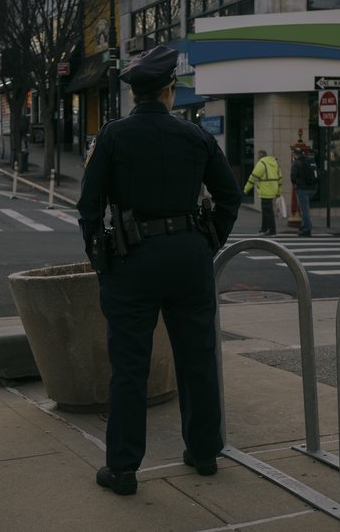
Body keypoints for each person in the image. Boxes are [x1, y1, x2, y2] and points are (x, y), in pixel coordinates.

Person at [77, 45, 241, 496]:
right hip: (188, 256)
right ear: (169, 91)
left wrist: (101, 259)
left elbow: (89, 207)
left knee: (129, 366)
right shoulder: (196, 138)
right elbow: (230, 197)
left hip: (131, 259)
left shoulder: (113, 137)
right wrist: (209, 240)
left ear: (136, 96)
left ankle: (124, 468)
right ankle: (204, 452)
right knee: (197, 358)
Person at [243, 149, 282, 235]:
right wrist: (279, 191)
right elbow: (280, 178)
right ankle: (264, 228)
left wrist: (246, 189)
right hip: (273, 189)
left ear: (261, 155)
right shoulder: (274, 163)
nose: (257, 157)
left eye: (258, 155)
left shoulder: (261, 163)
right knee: (265, 210)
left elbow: (253, 177)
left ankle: (272, 230)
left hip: (265, 189)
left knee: (268, 211)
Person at [290, 145, 317, 237]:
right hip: (313, 189)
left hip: (302, 189)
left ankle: (307, 229)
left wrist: (295, 184)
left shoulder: (296, 163)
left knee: (304, 210)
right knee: (305, 208)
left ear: (295, 155)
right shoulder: (309, 161)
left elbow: (293, 176)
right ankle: (304, 225)